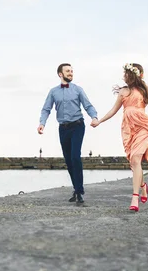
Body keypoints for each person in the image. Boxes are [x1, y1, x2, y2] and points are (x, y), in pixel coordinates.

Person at [91, 63, 148, 212]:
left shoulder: (146, 89)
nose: (124, 76)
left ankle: (134, 197)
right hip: (128, 128)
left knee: (136, 158)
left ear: (134, 74)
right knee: (133, 161)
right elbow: (113, 110)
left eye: (126, 74)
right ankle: (142, 187)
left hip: (143, 125)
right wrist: (99, 121)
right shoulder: (123, 91)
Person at [38, 63, 99, 204]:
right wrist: (42, 123)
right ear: (60, 74)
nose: (71, 73)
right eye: (68, 71)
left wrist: (94, 117)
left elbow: (88, 105)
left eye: (72, 71)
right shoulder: (53, 92)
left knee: (75, 157)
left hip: (78, 126)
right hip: (63, 128)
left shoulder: (78, 90)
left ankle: (79, 191)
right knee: (69, 160)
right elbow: (46, 109)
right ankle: (76, 189)